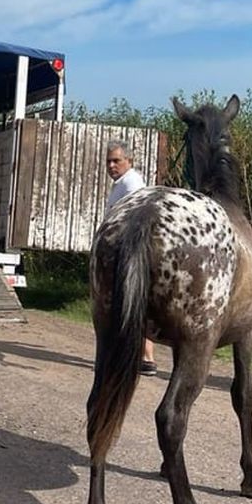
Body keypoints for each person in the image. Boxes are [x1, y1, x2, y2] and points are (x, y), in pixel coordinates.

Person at [104, 141, 157, 375]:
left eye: (117, 160)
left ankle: (145, 356)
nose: (112, 165)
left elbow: (136, 215)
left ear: (129, 161)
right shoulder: (120, 184)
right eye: (109, 161)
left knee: (132, 302)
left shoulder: (132, 182)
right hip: (121, 251)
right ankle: (139, 356)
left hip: (129, 252)